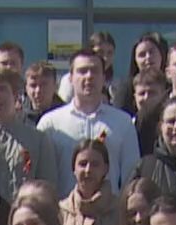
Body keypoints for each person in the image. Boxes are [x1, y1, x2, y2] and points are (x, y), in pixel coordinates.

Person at [37, 50, 141, 192]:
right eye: (82, 71)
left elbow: (131, 177)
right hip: (63, 211)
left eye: (95, 71)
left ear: (104, 78)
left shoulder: (123, 122)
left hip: (109, 211)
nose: (89, 76)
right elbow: (42, 178)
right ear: (71, 78)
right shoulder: (51, 124)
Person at [61, 139, 131, 225]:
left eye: (95, 164)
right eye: (83, 164)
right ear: (73, 169)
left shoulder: (119, 210)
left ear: (106, 169)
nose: (88, 170)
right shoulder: (61, 211)